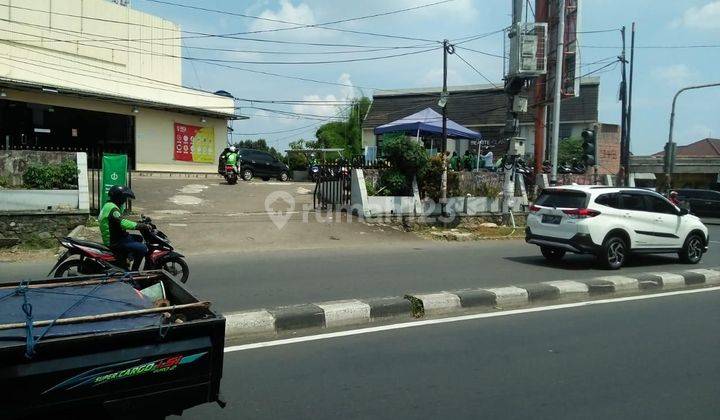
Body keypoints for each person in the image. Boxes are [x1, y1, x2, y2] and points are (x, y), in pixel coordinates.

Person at [99, 185, 149, 271]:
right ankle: (134, 272)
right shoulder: (113, 209)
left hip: (115, 237)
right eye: (124, 198)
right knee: (143, 248)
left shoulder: (108, 205)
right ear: (119, 197)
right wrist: (139, 226)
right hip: (115, 241)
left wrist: (138, 223)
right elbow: (123, 223)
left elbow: (120, 220)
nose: (125, 201)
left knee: (139, 238)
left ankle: (126, 259)